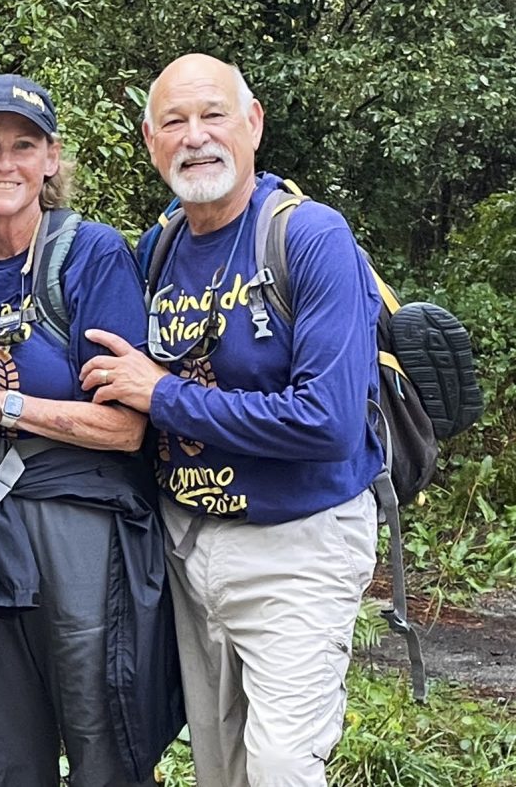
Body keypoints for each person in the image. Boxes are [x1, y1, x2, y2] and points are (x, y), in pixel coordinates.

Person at [81, 54, 383, 787]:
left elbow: (328, 421)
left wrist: (163, 396)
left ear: (252, 124)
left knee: (281, 766)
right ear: (150, 141)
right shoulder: (159, 248)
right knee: (220, 768)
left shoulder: (308, 238)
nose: (195, 137)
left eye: (213, 115)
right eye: (174, 122)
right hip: (189, 543)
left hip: (295, 544)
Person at [0, 74, 184, 787]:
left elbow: (126, 429)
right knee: (4, 748)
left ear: (51, 159)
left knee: (102, 732)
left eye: (24, 145)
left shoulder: (90, 254)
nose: (4, 163)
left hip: (82, 525)